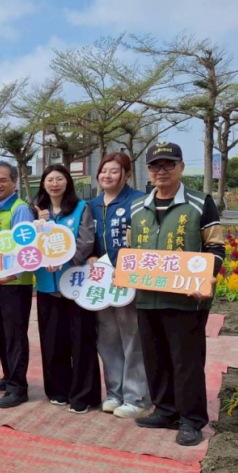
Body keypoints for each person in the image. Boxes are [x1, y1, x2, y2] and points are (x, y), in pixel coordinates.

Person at [129, 142, 224, 447]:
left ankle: (191, 419)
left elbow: (215, 247)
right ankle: (165, 410)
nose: (162, 171)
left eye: (169, 164)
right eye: (156, 165)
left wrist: (207, 277)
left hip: (186, 301)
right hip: (147, 297)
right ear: (148, 171)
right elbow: (131, 251)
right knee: (155, 358)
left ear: (182, 167)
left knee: (187, 361)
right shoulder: (138, 208)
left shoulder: (200, 203)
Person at [87, 153, 150, 419]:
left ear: (126, 174)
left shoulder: (138, 201)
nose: (107, 176)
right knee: (107, 338)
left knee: (132, 336)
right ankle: (114, 392)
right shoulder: (91, 205)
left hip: (129, 281)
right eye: (104, 171)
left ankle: (137, 397)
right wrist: (89, 255)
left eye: (114, 171)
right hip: (101, 283)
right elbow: (86, 239)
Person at [34, 164, 100, 414]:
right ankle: (57, 390)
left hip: (75, 285)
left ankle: (84, 394)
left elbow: (86, 241)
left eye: (59, 178)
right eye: (49, 179)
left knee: (81, 340)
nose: (54, 183)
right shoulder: (37, 211)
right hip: (47, 286)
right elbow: (29, 246)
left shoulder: (82, 208)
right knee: (53, 341)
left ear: (67, 182)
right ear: (43, 184)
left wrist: (66, 259)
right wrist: (39, 227)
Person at [0, 161, 35, 408]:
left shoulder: (20, 209)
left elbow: (26, 250)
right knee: (1, 333)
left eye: (2, 180)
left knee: (15, 336)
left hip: (15, 283)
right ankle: (8, 376)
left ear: (14, 182)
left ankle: (18, 388)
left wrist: (12, 275)